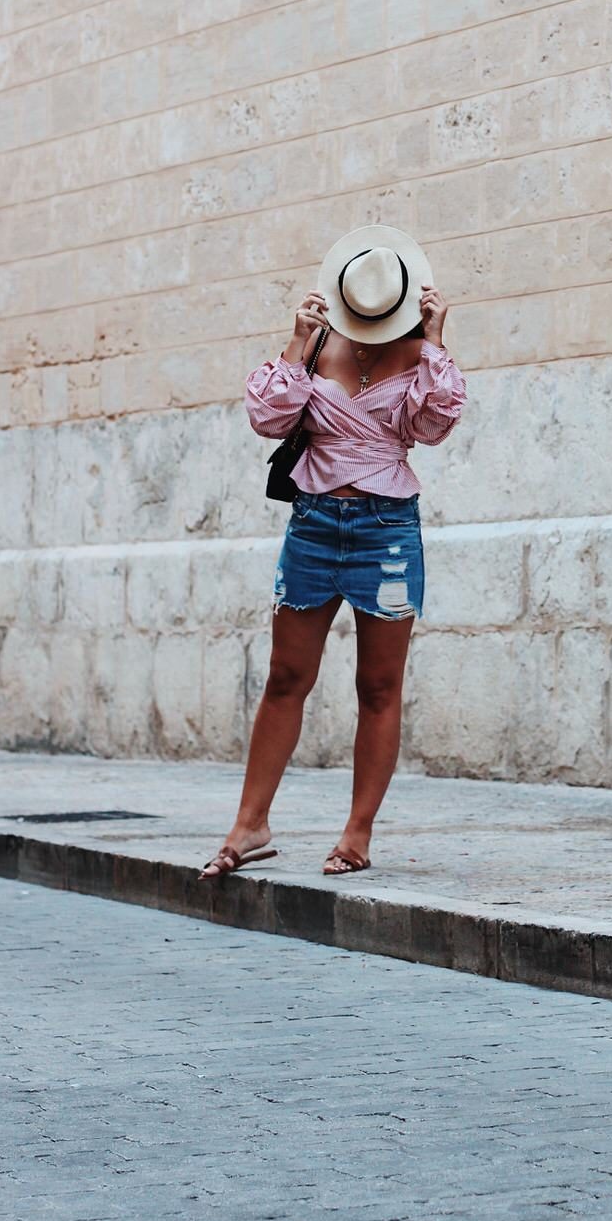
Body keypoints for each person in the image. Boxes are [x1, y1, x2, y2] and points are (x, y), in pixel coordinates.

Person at [198, 224, 466, 881]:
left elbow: (434, 426)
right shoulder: (318, 342)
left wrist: (432, 342)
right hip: (314, 526)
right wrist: (295, 342)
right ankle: (250, 824)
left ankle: (357, 833)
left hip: (388, 533)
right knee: (287, 677)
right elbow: (268, 417)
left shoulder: (420, 354)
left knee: (378, 685)